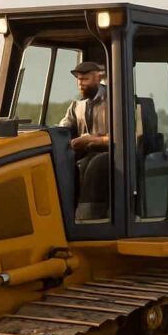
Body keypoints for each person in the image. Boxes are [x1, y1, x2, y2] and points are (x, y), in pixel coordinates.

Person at [58, 61, 110, 220]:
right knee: (63, 162)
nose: (80, 83)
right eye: (78, 80)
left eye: (85, 79)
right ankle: (65, 214)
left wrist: (93, 139)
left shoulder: (115, 101)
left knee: (95, 165)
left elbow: (128, 137)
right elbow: (63, 128)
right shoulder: (77, 105)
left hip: (114, 151)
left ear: (97, 77)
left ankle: (88, 218)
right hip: (87, 153)